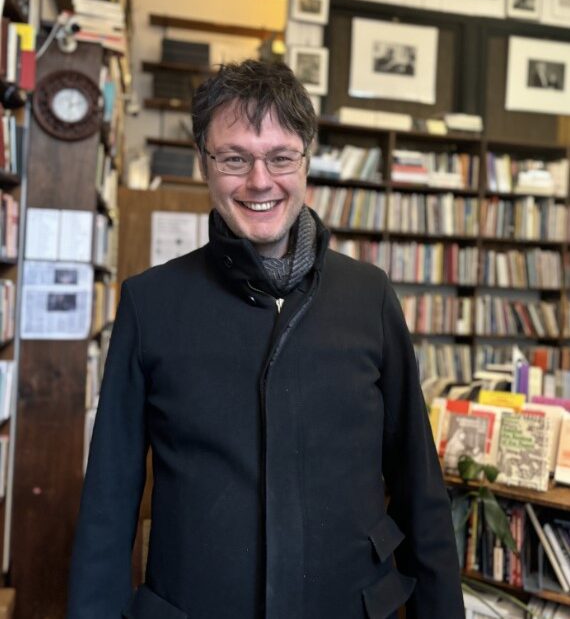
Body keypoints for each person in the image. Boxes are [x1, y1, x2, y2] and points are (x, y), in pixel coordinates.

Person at [66, 59, 464, 619]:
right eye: (234, 158)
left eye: (280, 157)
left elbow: (419, 485)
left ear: (306, 160)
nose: (259, 181)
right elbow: (108, 504)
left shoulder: (370, 296)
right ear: (204, 163)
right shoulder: (149, 303)